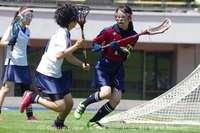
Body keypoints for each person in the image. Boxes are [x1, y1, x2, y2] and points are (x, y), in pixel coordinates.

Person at [19, 3, 90, 130]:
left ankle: (58, 124)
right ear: (71, 20)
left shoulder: (66, 33)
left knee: (69, 103)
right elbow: (59, 55)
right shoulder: (62, 33)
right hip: (47, 73)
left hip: (56, 74)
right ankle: (32, 97)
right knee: (60, 106)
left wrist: (82, 64)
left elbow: (69, 56)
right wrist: (77, 46)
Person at [74, 5, 139, 129]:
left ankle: (93, 121)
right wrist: (97, 46)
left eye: (123, 17)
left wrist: (118, 48)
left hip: (118, 68)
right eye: (117, 16)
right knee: (105, 93)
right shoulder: (109, 30)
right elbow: (96, 41)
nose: (119, 19)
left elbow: (126, 54)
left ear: (129, 18)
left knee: (115, 100)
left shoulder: (134, 35)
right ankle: (83, 104)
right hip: (104, 65)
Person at [0, 6, 37, 121]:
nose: (30, 19)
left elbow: (26, 42)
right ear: (21, 17)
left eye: (32, 17)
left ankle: (30, 115)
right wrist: (9, 43)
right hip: (12, 63)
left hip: (23, 64)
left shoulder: (28, 31)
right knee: (5, 89)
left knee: (27, 92)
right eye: (28, 16)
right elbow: (2, 42)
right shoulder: (12, 28)